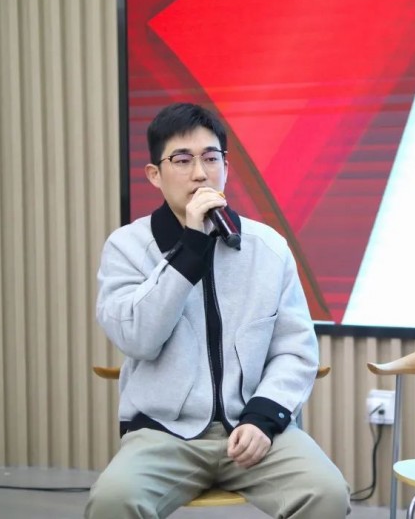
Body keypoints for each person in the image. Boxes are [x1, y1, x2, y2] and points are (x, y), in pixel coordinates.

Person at [86, 103, 351, 518]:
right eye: (182, 160)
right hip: (164, 434)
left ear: (226, 168)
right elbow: (138, 338)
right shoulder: (127, 247)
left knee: (327, 493)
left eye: (211, 158)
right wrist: (189, 249)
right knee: (112, 500)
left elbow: (295, 350)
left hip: (254, 428)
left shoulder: (268, 248)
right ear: (154, 174)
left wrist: (263, 418)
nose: (200, 173)